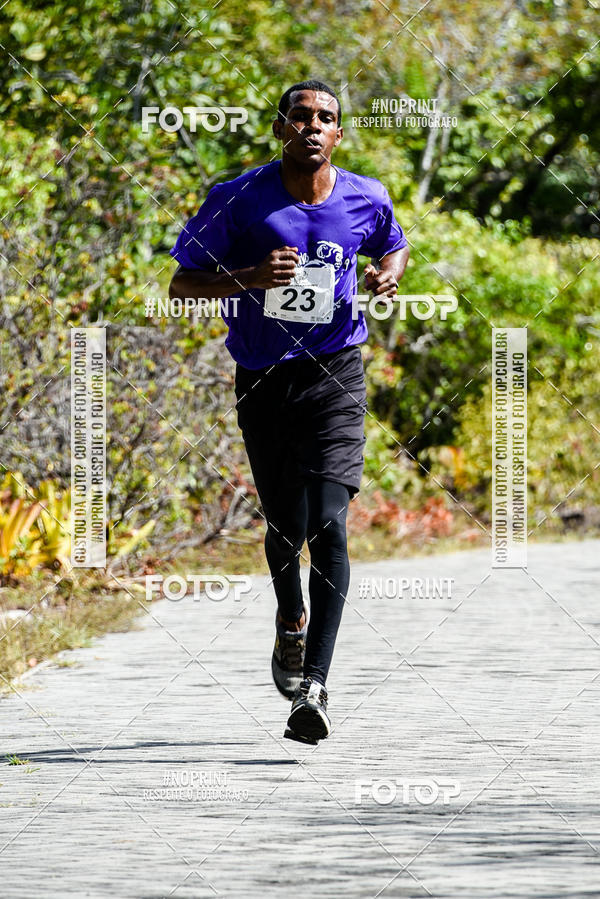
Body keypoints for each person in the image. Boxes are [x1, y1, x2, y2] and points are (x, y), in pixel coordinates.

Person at [168, 79, 409, 745]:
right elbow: (181, 281)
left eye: (325, 118)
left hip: (335, 371)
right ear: (279, 128)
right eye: (299, 116)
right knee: (284, 524)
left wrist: (390, 271)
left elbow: (393, 243)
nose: (312, 126)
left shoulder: (367, 196)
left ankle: (315, 686)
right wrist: (248, 278)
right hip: (262, 377)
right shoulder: (237, 199)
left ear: (339, 135)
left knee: (329, 524)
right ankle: (290, 616)